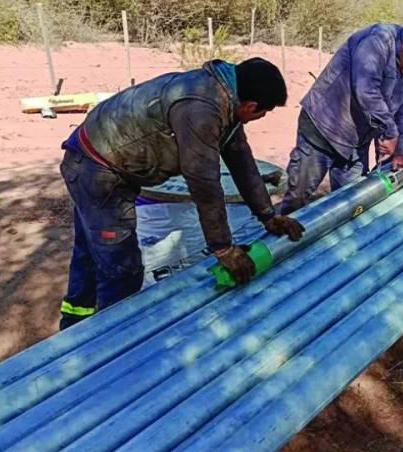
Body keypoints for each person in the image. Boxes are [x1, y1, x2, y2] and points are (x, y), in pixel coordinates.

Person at [58, 58, 304, 329]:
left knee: (90, 252)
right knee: (122, 270)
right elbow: (204, 183)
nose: (260, 119)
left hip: (101, 162)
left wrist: (268, 215)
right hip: (98, 173)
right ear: (250, 106)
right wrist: (223, 248)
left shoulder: (223, 98)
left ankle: (73, 328)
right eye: (262, 113)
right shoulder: (201, 108)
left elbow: (241, 160)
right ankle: (110, 346)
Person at [279, 24, 403, 215]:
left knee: (353, 204)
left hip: (355, 143)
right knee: (296, 201)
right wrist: (389, 131)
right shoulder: (377, 42)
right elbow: (366, 91)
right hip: (323, 129)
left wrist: (399, 151)